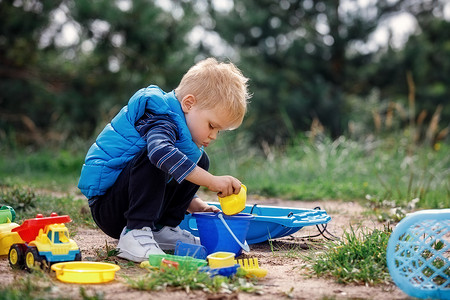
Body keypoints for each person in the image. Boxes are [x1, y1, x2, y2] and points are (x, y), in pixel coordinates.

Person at [77, 58, 251, 262]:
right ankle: (135, 233)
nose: (213, 135)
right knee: (159, 156)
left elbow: (160, 184)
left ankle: (163, 229)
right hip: (110, 208)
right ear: (188, 103)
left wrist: (195, 204)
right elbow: (159, 156)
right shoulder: (161, 117)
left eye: (219, 130)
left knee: (199, 160)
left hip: (136, 204)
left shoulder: (182, 133)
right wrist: (212, 181)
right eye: (212, 126)